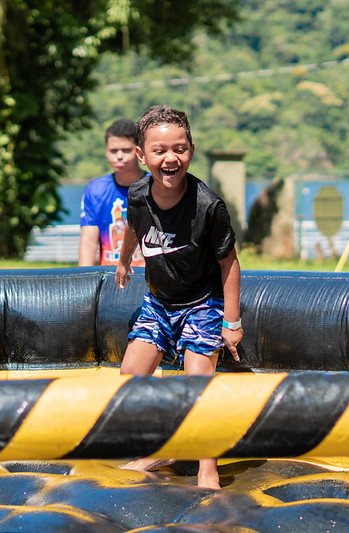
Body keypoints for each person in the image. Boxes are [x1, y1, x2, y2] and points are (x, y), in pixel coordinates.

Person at [114, 105, 242, 489]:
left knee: (197, 386)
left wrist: (231, 321)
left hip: (203, 303)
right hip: (159, 302)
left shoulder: (208, 206)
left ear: (191, 149)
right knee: (129, 378)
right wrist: (123, 262)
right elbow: (134, 230)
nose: (170, 158)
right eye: (159, 150)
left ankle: (207, 467)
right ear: (142, 155)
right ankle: (166, 444)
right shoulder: (138, 195)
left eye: (179, 149)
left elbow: (230, 264)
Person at [78, 118, 146, 266]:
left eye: (126, 150)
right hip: (110, 278)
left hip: (147, 280)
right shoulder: (95, 190)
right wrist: (83, 285)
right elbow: (89, 241)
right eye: (113, 151)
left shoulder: (154, 185)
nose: (119, 156)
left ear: (139, 151)